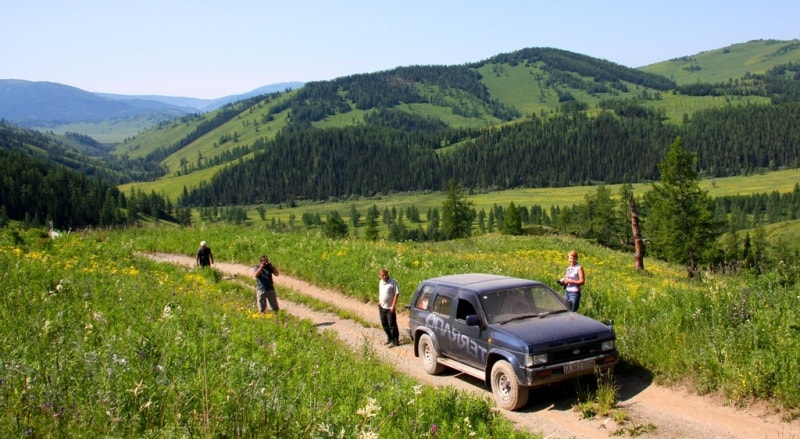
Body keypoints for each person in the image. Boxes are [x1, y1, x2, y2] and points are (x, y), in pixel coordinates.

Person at [378, 268, 400, 347]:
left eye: (385, 275)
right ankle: (389, 338)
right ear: (379, 276)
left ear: (387, 274)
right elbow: (381, 292)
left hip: (389, 308)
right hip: (382, 306)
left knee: (392, 324)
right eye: (382, 275)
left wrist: (393, 306)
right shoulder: (380, 282)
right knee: (384, 324)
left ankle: (395, 341)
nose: (384, 277)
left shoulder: (393, 282)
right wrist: (379, 301)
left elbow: (396, 294)